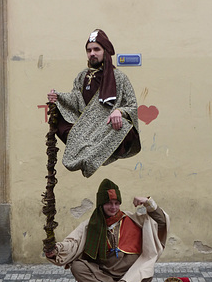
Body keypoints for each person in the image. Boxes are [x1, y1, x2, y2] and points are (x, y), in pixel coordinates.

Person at [47, 29, 141, 178]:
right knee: (58, 114)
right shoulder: (82, 76)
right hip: (86, 129)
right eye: (89, 50)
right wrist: (58, 97)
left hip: (106, 129)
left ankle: (92, 156)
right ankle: (86, 153)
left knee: (123, 124)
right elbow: (76, 100)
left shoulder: (120, 78)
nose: (92, 53)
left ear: (105, 51)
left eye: (97, 49)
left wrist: (120, 112)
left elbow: (132, 105)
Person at [45, 179, 169, 282]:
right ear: (101, 204)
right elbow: (73, 243)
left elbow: (161, 222)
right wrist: (55, 250)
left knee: (145, 274)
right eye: (109, 203)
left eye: (116, 203)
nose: (113, 207)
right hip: (103, 274)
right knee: (77, 266)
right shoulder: (91, 225)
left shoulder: (134, 219)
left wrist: (148, 202)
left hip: (130, 274)